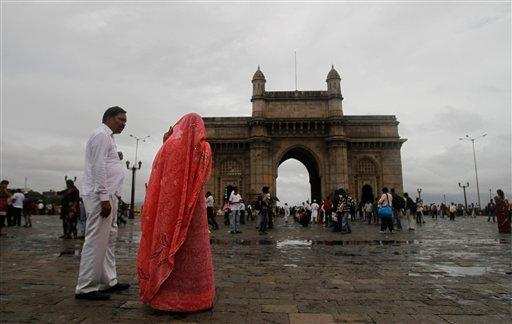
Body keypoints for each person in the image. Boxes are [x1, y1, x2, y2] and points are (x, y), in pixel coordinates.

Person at [137, 113, 214, 312]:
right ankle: (194, 297)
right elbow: (205, 174)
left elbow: (159, 174)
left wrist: (167, 141)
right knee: (191, 251)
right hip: (193, 210)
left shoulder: (169, 147)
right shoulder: (203, 148)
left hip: (168, 210)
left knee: (169, 243)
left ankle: (164, 294)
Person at [75, 106, 129, 300]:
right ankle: (86, 287)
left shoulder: (109, 138)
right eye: (120, 119)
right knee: (96, 240)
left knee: (108, 240)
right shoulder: (101, 135)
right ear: (108, 118)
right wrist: (104, 197)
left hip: (109, 196)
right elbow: (98, 167)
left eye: (125, 120)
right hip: (100, 197)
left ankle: (108, 280)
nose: (124, 123)